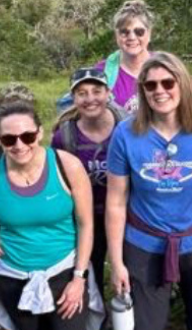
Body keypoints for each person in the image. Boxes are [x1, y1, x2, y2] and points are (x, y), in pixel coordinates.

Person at [105, 52, 192, 330]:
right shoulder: (125, 134)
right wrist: (116, 263)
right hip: (144, 242)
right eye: (150, 85)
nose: (160, 91)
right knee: (146, 324)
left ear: (182, 85)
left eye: (167, 82)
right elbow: (116, 201)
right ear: (143, 91)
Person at [0, 102, 102, 330]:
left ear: (40, 133)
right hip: (13, 274)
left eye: (27, 136)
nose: (19, 145)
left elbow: (86, 224)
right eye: (9, 139)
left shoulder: (67, 166)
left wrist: (79, 278)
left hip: (64, 269)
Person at [52, 67, 125, 290]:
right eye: (82, 93)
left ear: (108, 93)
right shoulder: (64, 137)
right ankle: (96, 319)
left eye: (96, 91)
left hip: (125, 215)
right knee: (89, 274)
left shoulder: (126, 128)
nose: (90, 99)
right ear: (73, 98)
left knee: (127, 270)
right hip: (85, 218)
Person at [95, 0, 155, 114]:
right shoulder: (102, 72)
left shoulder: (165, 66)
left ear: (149, 33)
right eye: (124, 32)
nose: (132, 37)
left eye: (139, 31)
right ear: (116, 35)